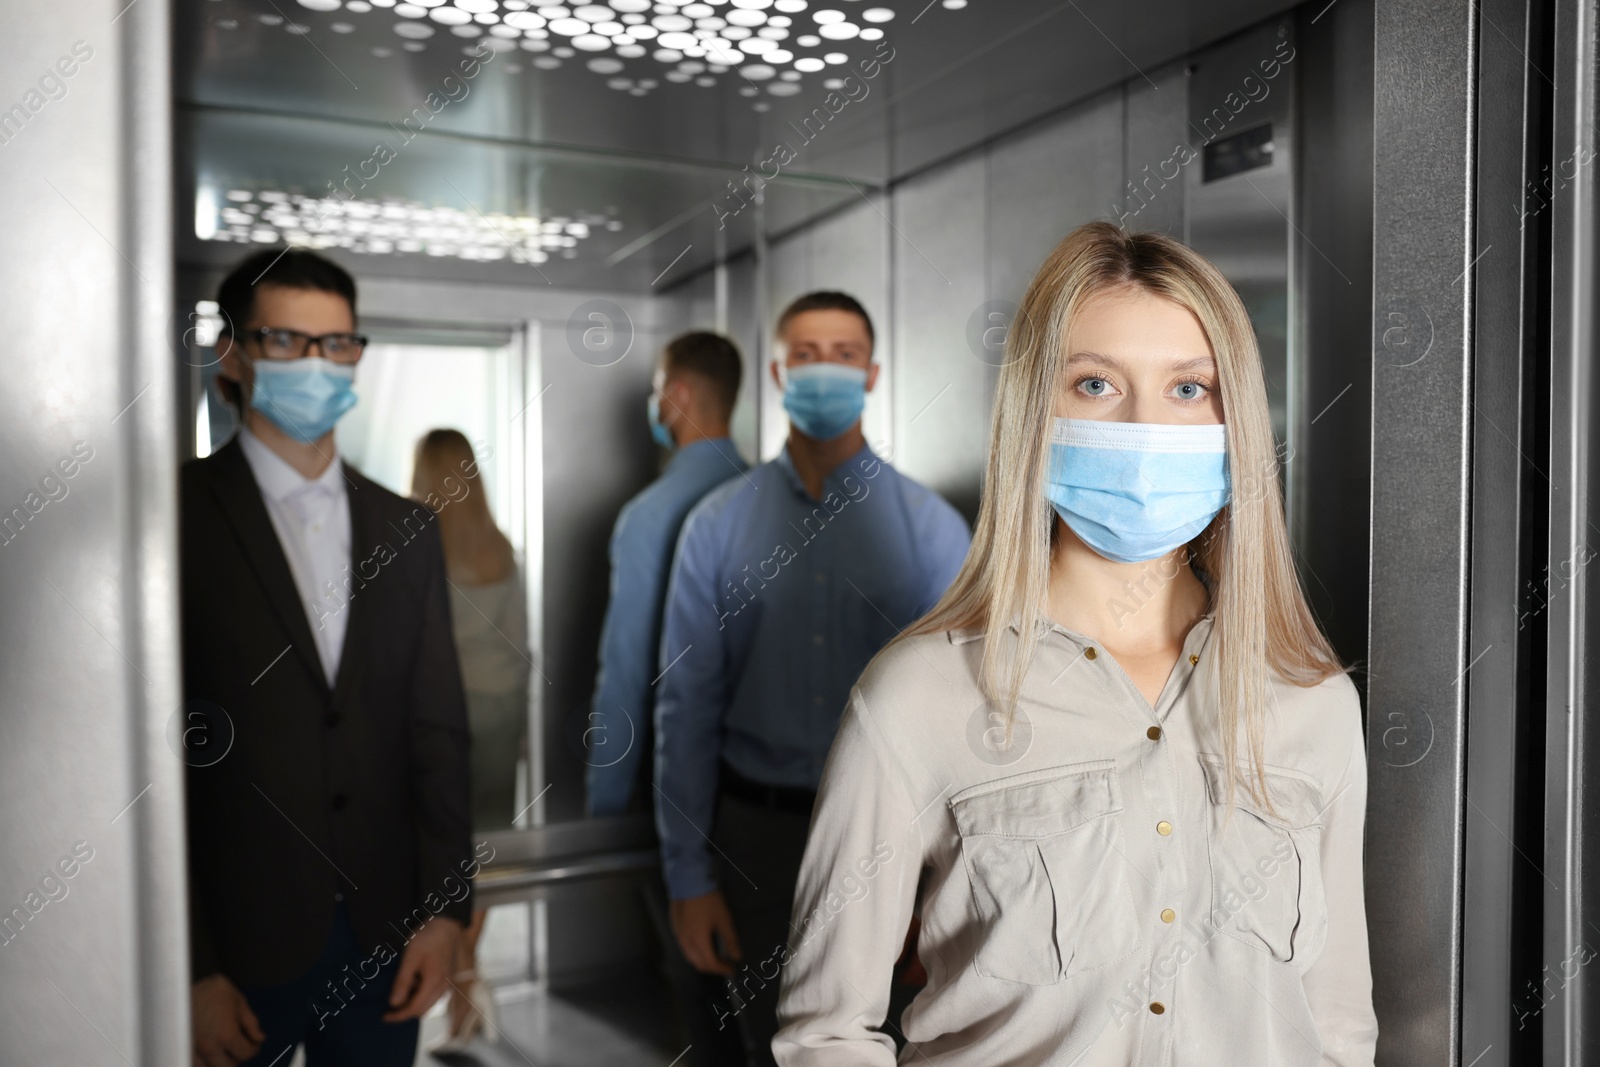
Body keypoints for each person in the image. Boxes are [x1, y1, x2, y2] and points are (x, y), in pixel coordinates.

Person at [772, 223, 1378, 1065]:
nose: (1142, 429)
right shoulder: (918, 695)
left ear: (1236, 416)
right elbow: (826, 1034)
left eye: (1188, 388)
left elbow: (1339, 1025)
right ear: (1035, 416)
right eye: (1095, 383)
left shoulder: (1314, 700)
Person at [654, 292, 971, 1067]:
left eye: (843, 353)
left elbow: (970, 719)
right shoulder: (716, 525)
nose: (824, 369)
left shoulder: (934, 530)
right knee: (770, 1049)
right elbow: (685, 706)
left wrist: (950, 886)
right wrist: (689, 879)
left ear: (872, 372)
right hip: (754, 843)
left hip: (904, 844)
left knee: (895, 1046)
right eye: (805, 354)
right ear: (776, 371)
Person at [182, 248, 471, 1067]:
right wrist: (189, 963)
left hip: (387, 936)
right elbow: (145, 765)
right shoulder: (175, 520)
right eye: (288, 342)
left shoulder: (407, 529)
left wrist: (448, 913)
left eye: (338, 344)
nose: (318, 364)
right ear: (234, 356)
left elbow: (439, 734)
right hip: (238, 953)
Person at [586, 331, 749, 1067]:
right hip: (764, 803)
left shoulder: (651, 516)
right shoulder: (775, 501)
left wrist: (605, 797)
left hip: (677, 797)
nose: (655, 403)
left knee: (701, 990)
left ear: (677, 396)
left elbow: (625, 672)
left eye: (658, 389)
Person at [410, 428, 531, 1048]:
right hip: (501, 713)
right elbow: (522, 648)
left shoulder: (415, 547)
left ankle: (461, 976)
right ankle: (468, 975)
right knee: (488, 851)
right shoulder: (502, 549)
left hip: (443, 723)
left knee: (444, 853)